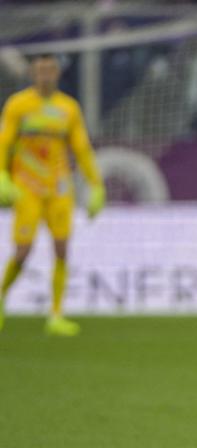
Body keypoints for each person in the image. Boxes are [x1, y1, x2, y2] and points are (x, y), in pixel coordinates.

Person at [0, 54, 105, 335]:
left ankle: (56, 315)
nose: (45, 75)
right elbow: (4, 142)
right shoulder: (19, 105)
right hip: (27, 188)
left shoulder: (68, 108)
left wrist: (96, 184)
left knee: (61, 249)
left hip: (59, 188)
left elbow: (81, 149)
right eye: (40, 70)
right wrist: (2, 175)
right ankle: (1, 297)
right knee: (23, 251)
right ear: (33, 73)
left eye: (50, 70)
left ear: (56, 73)